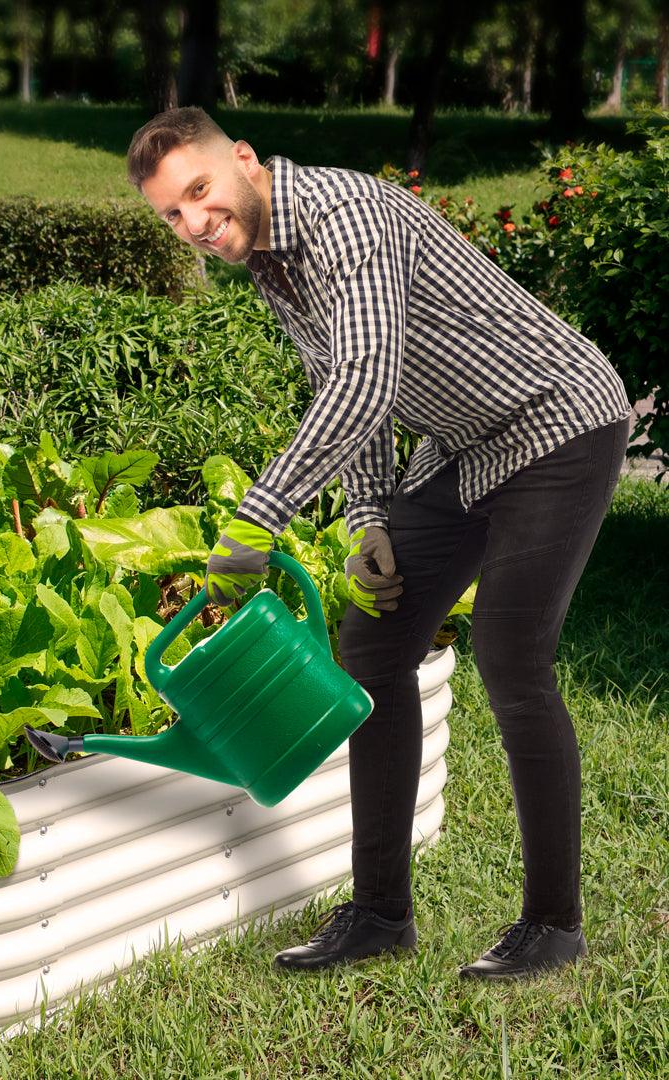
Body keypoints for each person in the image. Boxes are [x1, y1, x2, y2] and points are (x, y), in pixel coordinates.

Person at [126, 107, 630, 980]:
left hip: (558, 419)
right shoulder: (273, 262)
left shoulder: (344, 217)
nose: (196, 224)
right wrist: (367, 525)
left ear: (243, 161)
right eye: (173, 214)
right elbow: (345, 387)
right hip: (464, 444)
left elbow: (369, 379)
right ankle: (380, 915)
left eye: (200, 192)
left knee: (512, 656)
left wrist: (260, 515)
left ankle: (554, 925)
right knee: (373, 647)